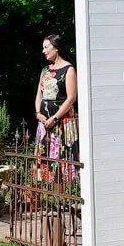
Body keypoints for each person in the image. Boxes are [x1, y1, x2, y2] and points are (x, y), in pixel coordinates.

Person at [34, 34, 79, 183]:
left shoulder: (69, 69)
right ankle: (52, 199)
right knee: (46, 158)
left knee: (62, 159)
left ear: (56, 48)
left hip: (61, 122)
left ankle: (63, 200)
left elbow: (71, 98)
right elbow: (39, 94)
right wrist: (38, 113)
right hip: (44, 122)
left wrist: (55, 118)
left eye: (46, 47)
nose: (43, 51)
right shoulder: (45, 70)